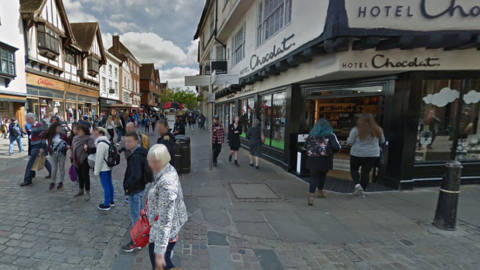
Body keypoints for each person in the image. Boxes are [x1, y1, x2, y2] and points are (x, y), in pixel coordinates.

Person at [146, 144, 187, 270]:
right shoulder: (167, 169)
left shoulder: (167, 185)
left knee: (161, 265)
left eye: (156, 162)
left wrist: (159, 251)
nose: (152, 165)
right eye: (150, 161)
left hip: (163, 233)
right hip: (168, 229)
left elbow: (165, 220)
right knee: (166, 262)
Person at [347, 113, 385, 198]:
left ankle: (357, 185)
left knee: (353, 170)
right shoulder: (378, 129)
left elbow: (350, 142)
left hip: (357, 153)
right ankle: (362, 191)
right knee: (365, 173)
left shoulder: (356, 129)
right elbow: (382, 141)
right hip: (372, 154)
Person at [121, 131, 148, 252]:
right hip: (140, 188)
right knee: (141, 214)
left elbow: (136, 174)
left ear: (136, 142)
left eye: (129, 141)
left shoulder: (136, 156)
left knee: (135, 216)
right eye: (125, 141)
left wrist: (127, 185)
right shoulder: (140, 152)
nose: (127, 143)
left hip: (135, 189)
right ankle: (143, 234)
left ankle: (136, 241)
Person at [304, 119, 341, 205]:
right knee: (322, 176)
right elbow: (336, 147)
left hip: (312, 159)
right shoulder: (331, 135)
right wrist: (331, 152)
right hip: (325, 159)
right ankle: (320, 192)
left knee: (313, 177)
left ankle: (311, 196)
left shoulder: (311, 135)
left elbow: (306, 146)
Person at [21, 113, 52, 186]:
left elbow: (43, 137)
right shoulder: (32, 126)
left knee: (31, 162)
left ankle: (27, 179)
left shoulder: (40, 126)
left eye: (27, 119)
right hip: (34, 145)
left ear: (32, 118)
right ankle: (52, 172)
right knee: (43, 160)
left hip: (38, 146)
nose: (26, 120)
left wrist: (42, 147)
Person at [72, 124, 96, 200]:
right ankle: (81, 189)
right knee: (80, 176)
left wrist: (87, 148)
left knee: (85, 176)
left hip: (84, 160)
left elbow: (93, 149)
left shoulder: (89, 139)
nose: (78, 131)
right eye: (77, 130)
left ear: (85, 131)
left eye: (80, 130)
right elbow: (73, 149)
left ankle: (87, 191)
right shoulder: (75, 138)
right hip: (76, 160)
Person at [93, 127, 114, 211]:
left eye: (96, 132)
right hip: (108, 166)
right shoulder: (107, 142)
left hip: (103, 168)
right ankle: (111, 201)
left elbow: (99, 158)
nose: (95, 134)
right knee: (109, 184)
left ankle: (106, 204)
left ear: (101, 133)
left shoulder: (101, 144)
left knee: (105, 186)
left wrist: (96, 171)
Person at [45, 122, 69, 190]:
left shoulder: (63, 135)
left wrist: (67, 147)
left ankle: (61, 181)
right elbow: (41, 135)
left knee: (61, 167)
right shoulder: (50, 135)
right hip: (53, 153)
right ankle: (52, 182)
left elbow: (68, 142)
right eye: (58, 128)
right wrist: (49, 130)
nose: (59, 129)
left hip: (62, 153)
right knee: (54, 168)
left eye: (60, 128)